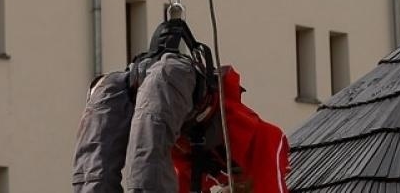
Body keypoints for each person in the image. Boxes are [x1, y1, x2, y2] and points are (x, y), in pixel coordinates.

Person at [73, 18, 290, 193]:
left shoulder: (196, 170)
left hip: (167, 95)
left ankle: (109, 88)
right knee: (146, 166)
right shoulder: (266, 142)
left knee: (98, 177)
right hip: (176, 84)